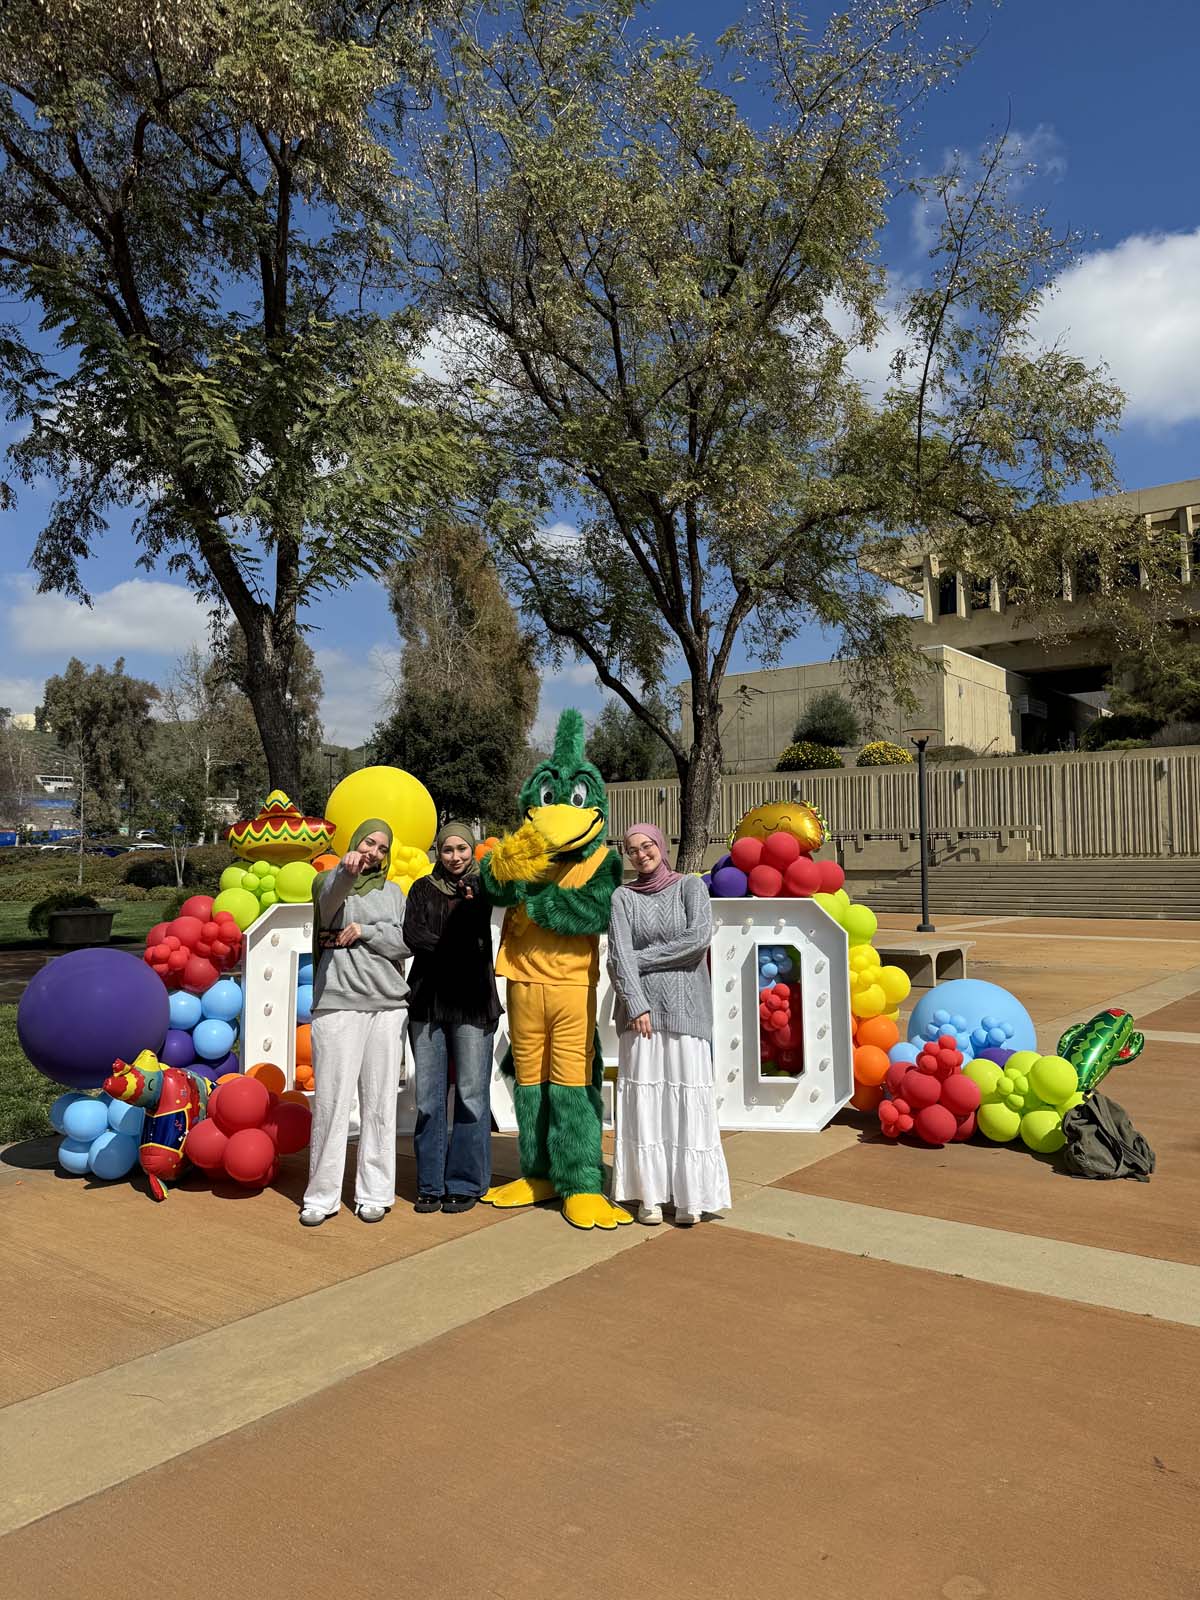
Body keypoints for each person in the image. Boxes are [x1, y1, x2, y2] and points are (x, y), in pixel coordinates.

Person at [607, 822, 729, 1226]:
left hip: (686, 1011)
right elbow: (615, 957)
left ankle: (690, 1197)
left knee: (686, 1102)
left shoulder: (690, 887)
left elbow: (697, 940)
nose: (641, 854)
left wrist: (640, 958)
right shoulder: (622, 897)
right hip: (639, 1016)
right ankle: (649, 1197)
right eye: (632, 849)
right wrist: (637, 1003)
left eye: (647, 846)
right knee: (646, 1105)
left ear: (661, 846)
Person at [300, 819, 410, 1227]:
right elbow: (330, 904)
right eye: (369, 842)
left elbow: (406, 940)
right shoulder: (329, 881)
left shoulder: (396, 893)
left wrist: (366, 931)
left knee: (380, 1102)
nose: (375, 852)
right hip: (339, 1005)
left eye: (383, 847)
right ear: (354, 843)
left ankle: (375, 1191)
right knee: (332, 1101)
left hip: (387, 1005)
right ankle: (321, 1195)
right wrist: (347, 872)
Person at [403, 821, 501, 1213]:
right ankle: (429, 1182)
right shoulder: (422, 889)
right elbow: (414, 935)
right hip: (427, 1003)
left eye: (462, 849)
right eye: (448, 850)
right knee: (428, 1098)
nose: (456, 857)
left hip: (473, 1004)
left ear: (472, 850)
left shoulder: (483, 889)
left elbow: (477, 931)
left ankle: (464, 1181)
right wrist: (455, 949)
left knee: (472, 1096)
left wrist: (451, 942)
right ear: (438, 852)